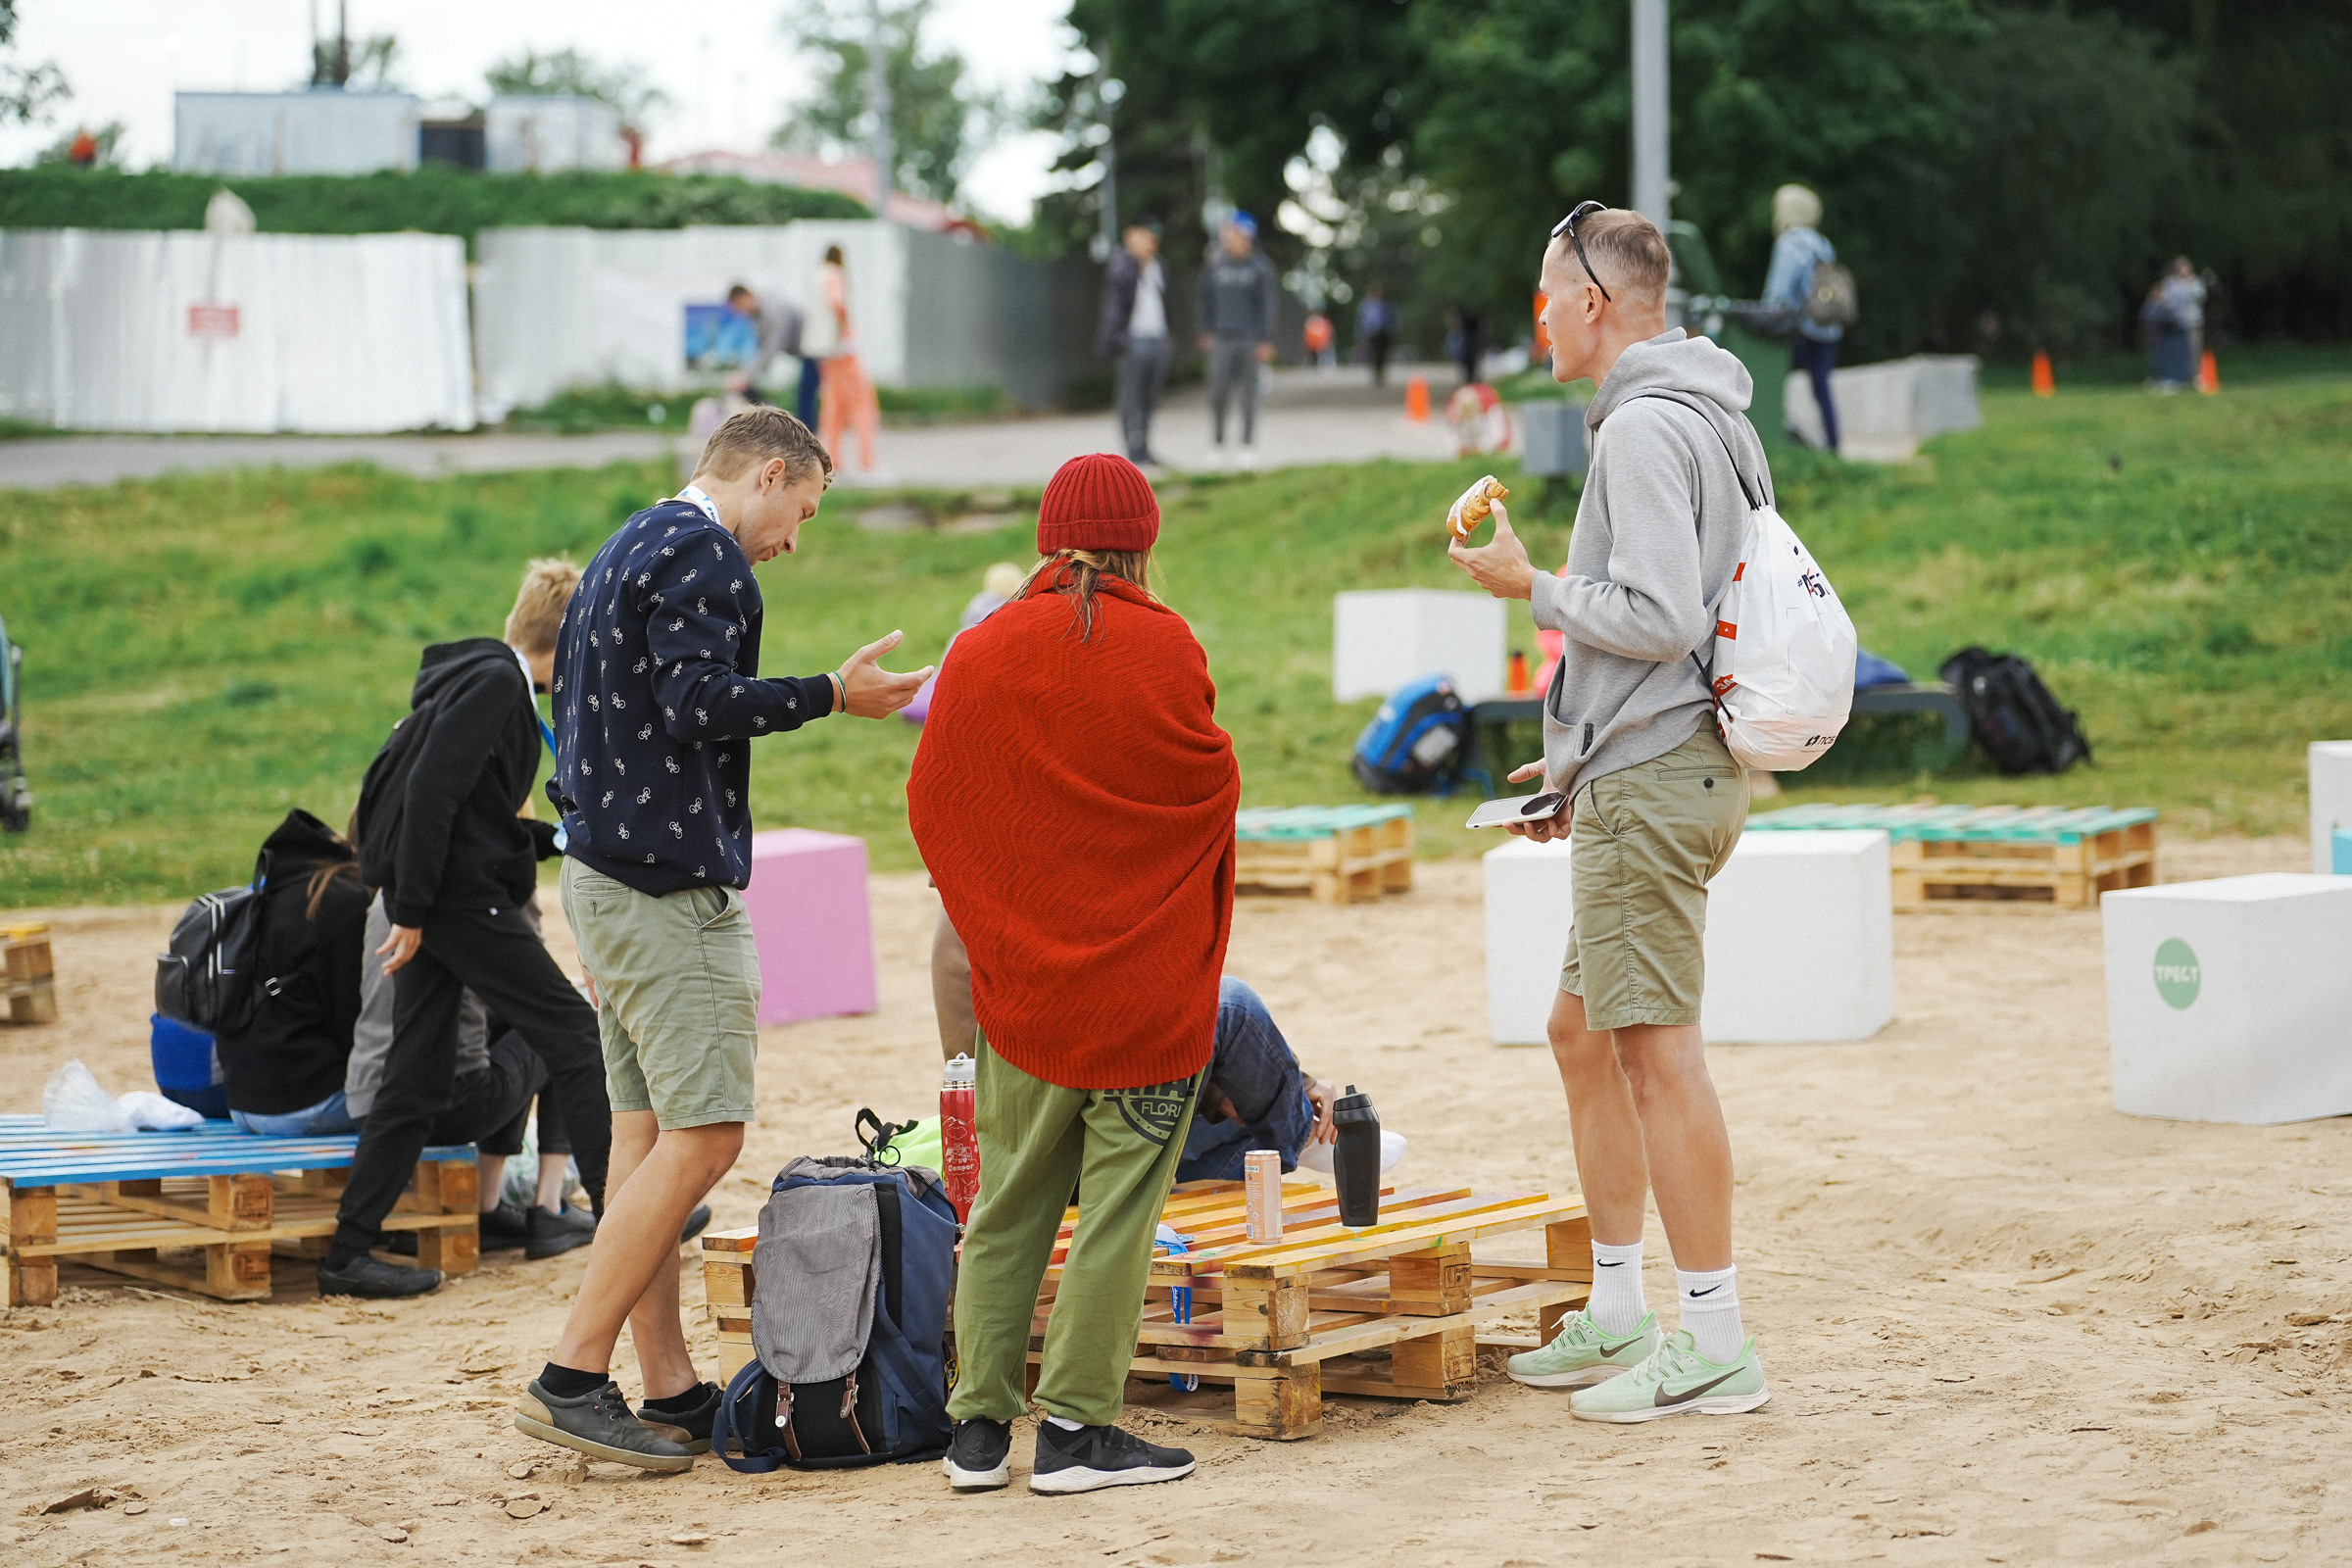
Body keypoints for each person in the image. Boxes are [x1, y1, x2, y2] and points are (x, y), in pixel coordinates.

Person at [514, 405, 929, 1473]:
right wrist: (831, 693)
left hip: (599, 876)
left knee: (647, 1136)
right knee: (707, 1137)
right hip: (664, 891)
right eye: (804, 512)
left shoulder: (628, 541)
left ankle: (668, 1386)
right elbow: (698, 702)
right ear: (771, 474)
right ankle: (571, 1374)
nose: (793, 539)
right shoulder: (709, 557)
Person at [1447, 202, 1769, 1423]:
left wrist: (1529, 584)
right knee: (1582, 1033)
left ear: (1593, 300)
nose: (1538, 318)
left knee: (1656, 1054)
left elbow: (1658, 614)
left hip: (1657, 773)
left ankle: (1716, 1339)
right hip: (1668, 764)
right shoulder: (1710, 410)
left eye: (1545, 297)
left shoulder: (1640, 425)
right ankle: (1623, 1305)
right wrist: (1573, 769)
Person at [909, 453, 1238, 1494]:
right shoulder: (1168, 643)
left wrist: (999, 926)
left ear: (1051, 538)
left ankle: (975, 1435)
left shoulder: (982, 648)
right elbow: (1209, 783)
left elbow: (938, 800)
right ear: (1143, 542)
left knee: (1005, 1208)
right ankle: (1077, 1433)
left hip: (1025, 994)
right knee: (1116, 1215)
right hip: (1144, 996)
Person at [320, 561, 614, 1300]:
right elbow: (430, 792)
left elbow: (477, 820)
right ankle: (623, 1230)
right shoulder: (495, 686)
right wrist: (414, 912)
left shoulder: (479, 680)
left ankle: (346, 1254)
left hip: (441, 899)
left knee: (416, 1075)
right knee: (577, 1036)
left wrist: (561, 838)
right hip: (455, 905)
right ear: (568, 640)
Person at [927, 912, 1361, 1182]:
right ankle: (1301, 1130)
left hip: (1030, 1137)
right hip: (1066, 1141)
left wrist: (1218, 1091)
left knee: (1245, 1110)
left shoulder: (968, 899)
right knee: (1231, 1005)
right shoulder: (1037, 899)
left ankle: (1295, 1126)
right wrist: (1293, 1085)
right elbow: (1137, 1012)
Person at [347, 890, 598, 1258]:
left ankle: (485, 1206)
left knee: (513, 1031)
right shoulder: (480, 886)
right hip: (440, 1104)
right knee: (567, 1027)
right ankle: (548, 1208)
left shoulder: (389, 892)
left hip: (365, 1098)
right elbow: (533, 987)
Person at [213, 808, 372, 1137]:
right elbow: (356, 1028)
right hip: (306, 1105)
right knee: (433, 1100)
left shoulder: (284, 887)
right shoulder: (351, 903)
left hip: (243, 1104)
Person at [1763, 183, 1841, 454]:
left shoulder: (1790, 243)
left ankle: (1773, 439)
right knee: (1822, 388)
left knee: (1768, 380)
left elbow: (1780, 293)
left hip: (1799, 328)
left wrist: (1765, 318)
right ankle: (1833, 445)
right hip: (1827, 327)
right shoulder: (1822, 244)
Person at [1197, 214, 1279, 468]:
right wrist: (1205, 329)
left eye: (1232, 233)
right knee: (1218, 392)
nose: (1228, 239)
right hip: (1221, 338)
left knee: (1249, 394)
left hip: (1250, 339)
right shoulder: (1215, 266)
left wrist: (1265, 339)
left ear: (1247, 236)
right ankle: (1217, 443)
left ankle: (1247, 445)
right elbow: (1205, 300)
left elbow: (1267, 305)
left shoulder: (1260, 268)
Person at [1099, 222, 1171, 466]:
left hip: (1157, 339)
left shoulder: (1158, 267)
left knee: (1150, 398)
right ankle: (1131, 451)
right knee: (1130, 398)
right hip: (1132, 341)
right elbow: (1116, 304)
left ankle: (1144, 446)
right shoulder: (1122, 265)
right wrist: (1120, 339)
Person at [808, 245, 880, 473]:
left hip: (825, 352)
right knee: (862, 405)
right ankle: (866, 462)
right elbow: (838, 303)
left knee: (833, 406)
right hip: (844, 349)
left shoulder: (815, 277)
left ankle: (832, 461)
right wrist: (846, 332)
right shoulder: (835, 275)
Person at [722, 282, 819, 432]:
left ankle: (807, 434)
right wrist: (745, 373)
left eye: (739, 306)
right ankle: (804, 429)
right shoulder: (755, 316)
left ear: (747, 295)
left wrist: (746, 376)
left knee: (806, 392)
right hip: (802, 350)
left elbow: (774, 344)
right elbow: (760, 348)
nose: (741, 312)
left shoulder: (773, 308)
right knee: (805, 392)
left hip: (814, 348)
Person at [1356, 284, 1397, 386]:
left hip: (1383, 332)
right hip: (1371, 332)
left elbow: (1393, 317)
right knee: (1373, 353)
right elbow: (1361, 320)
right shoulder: (1365, 305)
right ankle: (1375, 374)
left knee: (1382, 353)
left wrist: (1394, 329)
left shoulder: (1386, 304)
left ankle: (1381, 374)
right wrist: (1361, 333)